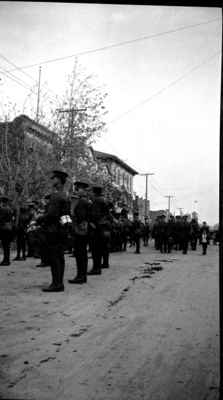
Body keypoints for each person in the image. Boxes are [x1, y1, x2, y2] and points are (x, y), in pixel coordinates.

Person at [39, 169, 70, 292]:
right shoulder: (66, 195)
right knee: (60, 257)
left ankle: (56, 284)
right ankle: (59, 283)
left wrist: (39, 218)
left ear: (58, 180)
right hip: (61, 230)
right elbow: (66, 216)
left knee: (54, 257)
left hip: (53, 230)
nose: (52, 180)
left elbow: (51, 214)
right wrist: (65, 228)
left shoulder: (56, 195)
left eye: (54, 178)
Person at [68, 180, 90, 284]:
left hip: (80, 230)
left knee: (80, 253)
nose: (76, 191)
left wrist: (72, 212)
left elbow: (80, 217)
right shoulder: (86, 201)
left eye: (77, 189)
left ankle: (80, 276)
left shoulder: (81, 202)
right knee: (82, 254)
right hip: (84, 230)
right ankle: (82, 275)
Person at [88, 184, 111, 274]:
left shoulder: (97, 200)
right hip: (105, 227)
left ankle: (96, 268)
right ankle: (105, 263)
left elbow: (95, 215)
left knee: (95, 248)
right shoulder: (104, 200)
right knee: (104, 247)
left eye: (91, 192)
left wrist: (91, 222)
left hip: (98, 227)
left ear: (94, 192)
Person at [0, 196, 14, 266]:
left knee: (5, 245)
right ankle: (6, 260)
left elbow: (1, 219)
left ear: (2, 202)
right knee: (7, 246)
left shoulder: (3, 209)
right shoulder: (9, 209)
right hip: (9, 227)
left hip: (4, 228)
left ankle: (6, 260)